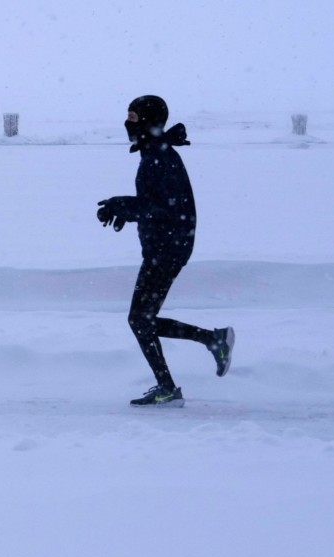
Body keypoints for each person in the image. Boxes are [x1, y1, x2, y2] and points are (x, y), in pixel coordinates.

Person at [96, 95, 234, 407]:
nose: (128, 123)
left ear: (147, 121)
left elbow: (163, 206)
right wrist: (129, 213)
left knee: (140, 319)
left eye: (133, 117)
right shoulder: (154, 152)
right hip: (167, 245)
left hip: (169, 248)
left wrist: (125, 205)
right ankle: (210, 343)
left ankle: (197, 358)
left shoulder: (160, 155)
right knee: (142, 319)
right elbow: (158, 205)